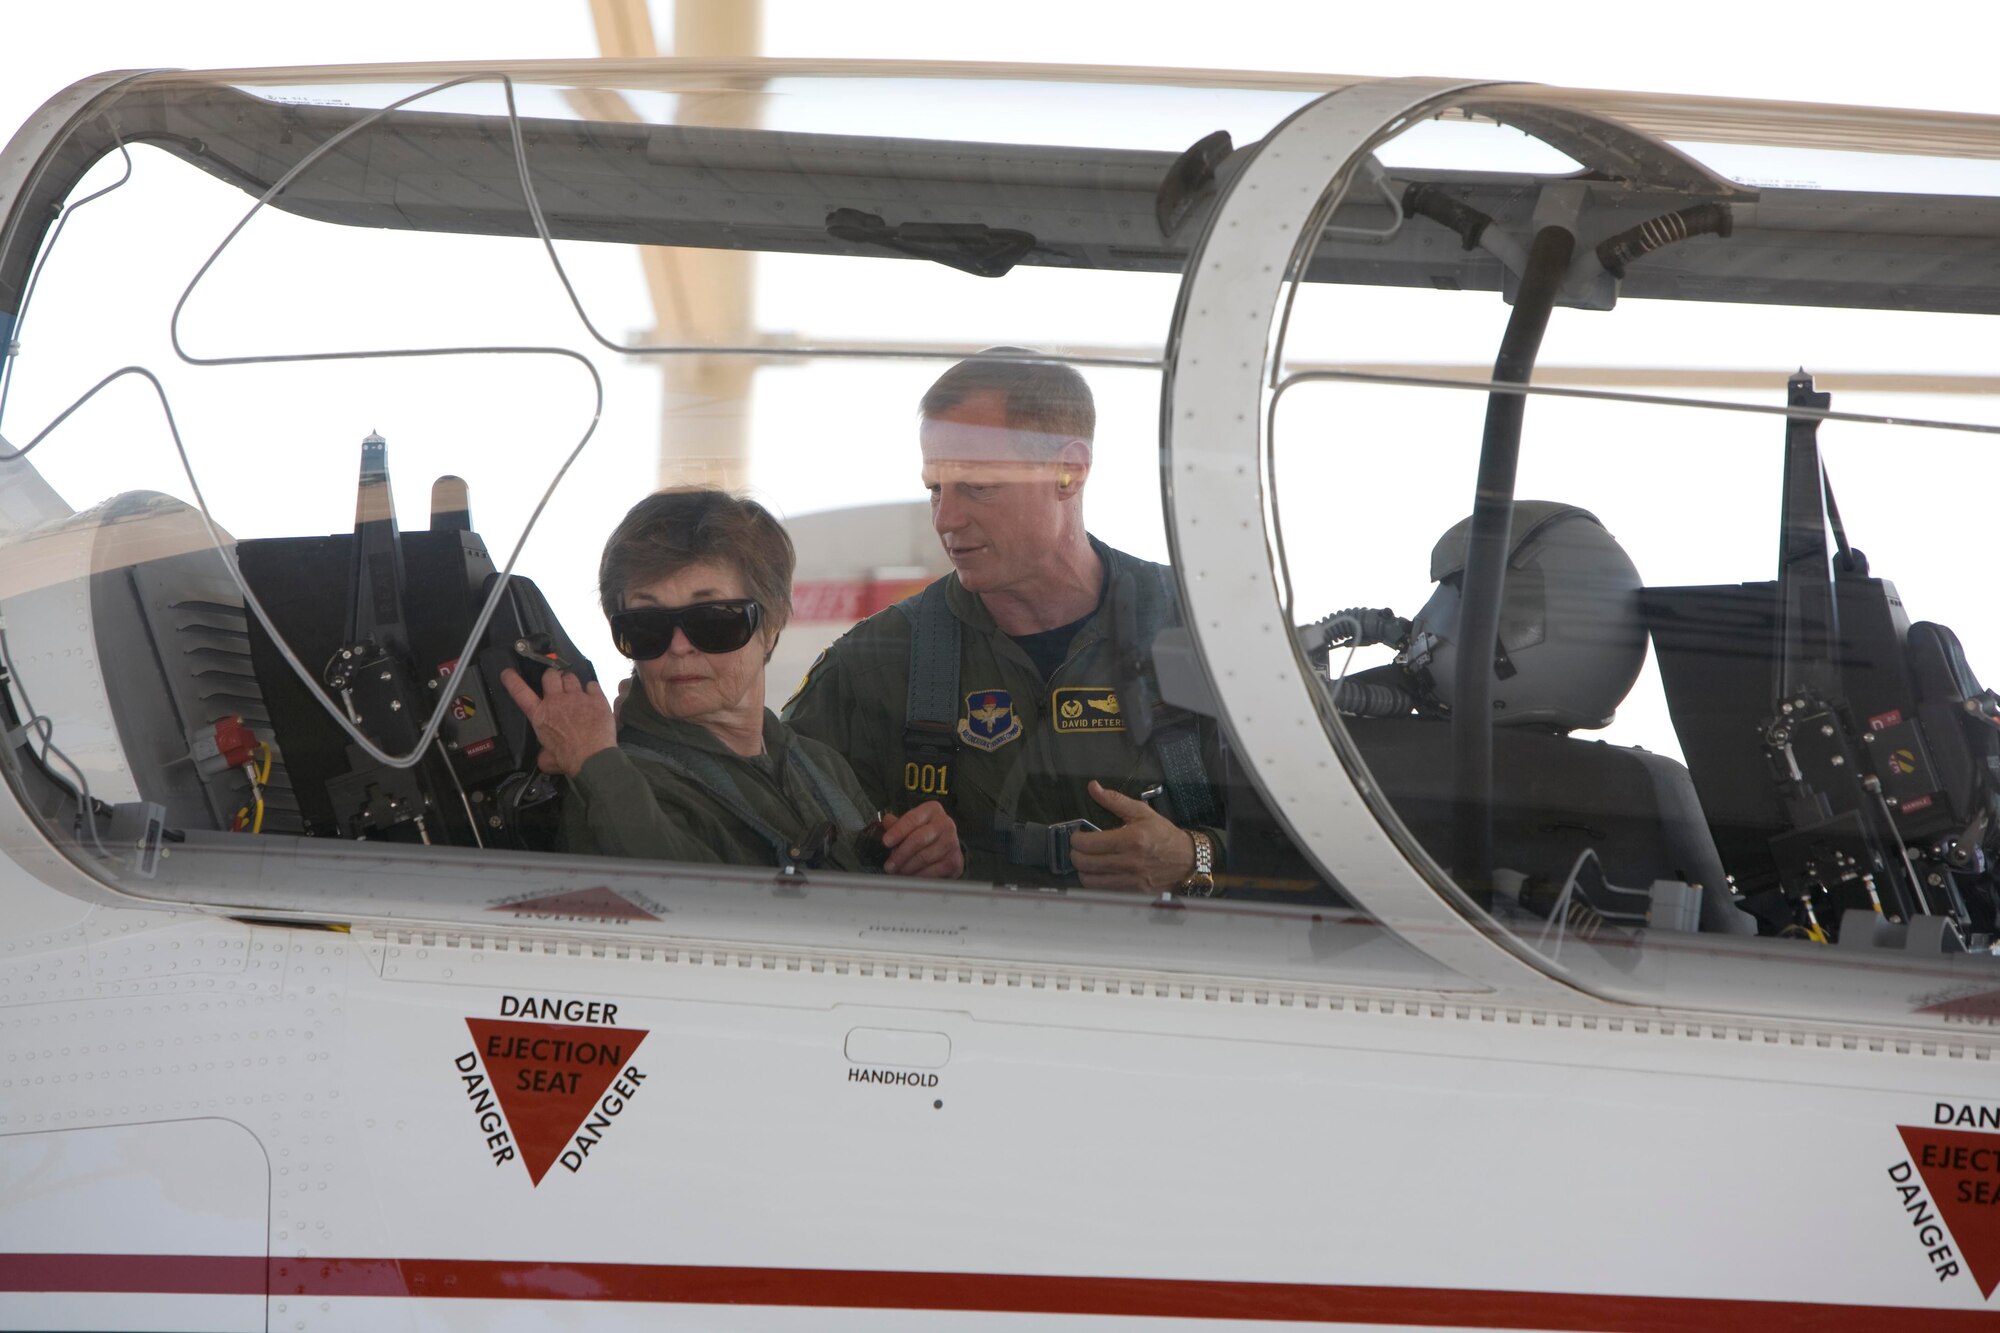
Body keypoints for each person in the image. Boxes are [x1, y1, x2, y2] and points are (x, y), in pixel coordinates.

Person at [783, 349, 1224, 891]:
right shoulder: (871, 667)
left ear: (1069, 471)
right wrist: (888, 852)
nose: (945, 519)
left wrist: (1197, 855)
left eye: (978, 485)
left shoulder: (1210, 634)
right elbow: (781, 848)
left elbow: (1312, 837)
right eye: (935, 489)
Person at [501, 489, 962, 877]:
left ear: (771, 626)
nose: (679, 646)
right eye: (645, 625)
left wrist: (920, 862)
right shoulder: (617, 785)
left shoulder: (818, 766)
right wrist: (596, 764)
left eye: (714, 619)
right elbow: (684, 910)